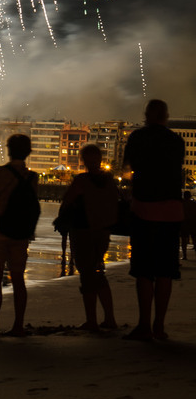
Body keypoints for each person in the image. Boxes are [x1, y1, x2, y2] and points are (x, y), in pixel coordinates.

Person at [122, 98, 184, 341]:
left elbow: (127, 170)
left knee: (144, 270)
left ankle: (144, 324)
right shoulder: (176, 141)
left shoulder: (137, 138)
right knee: (166, 270)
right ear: (166, 116)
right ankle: (159, 325)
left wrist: (132, 188)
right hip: (172, 211)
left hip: (144, 210)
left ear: (146, 115)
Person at [0, 134, 39, 340]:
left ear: (9, 150)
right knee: (18, 279)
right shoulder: (32, 177)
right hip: (21, 233)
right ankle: (18, 326)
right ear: (28, 152)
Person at [56, 144, 118, 331]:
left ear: (83, 160)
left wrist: (62, 219)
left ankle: (92, 320)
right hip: (103, 232)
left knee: (87, 275)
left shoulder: (81, 181)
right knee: (98, 273)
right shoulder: (109, 181)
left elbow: (67, 201)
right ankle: (109, 318)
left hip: (83, 231)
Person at [181, 191, 196, 260]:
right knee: (194, 238)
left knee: (184, 240)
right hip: (192, 223)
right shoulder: (193, 204)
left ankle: (184, 255)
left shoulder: (182, 204)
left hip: (184, 223)